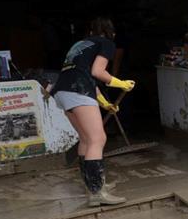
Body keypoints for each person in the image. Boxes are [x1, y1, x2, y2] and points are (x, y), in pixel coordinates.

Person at [50, 17, 135, 206]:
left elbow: (85, 75)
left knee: (86, 139)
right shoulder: (106, 43)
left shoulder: (81, 44)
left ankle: (93, 184)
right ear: (111, 33)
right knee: (98, 139)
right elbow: (98, 72)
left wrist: (105, 103)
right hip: (78, 90)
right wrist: (120, 83)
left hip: (63, 91)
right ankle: (97, 193)